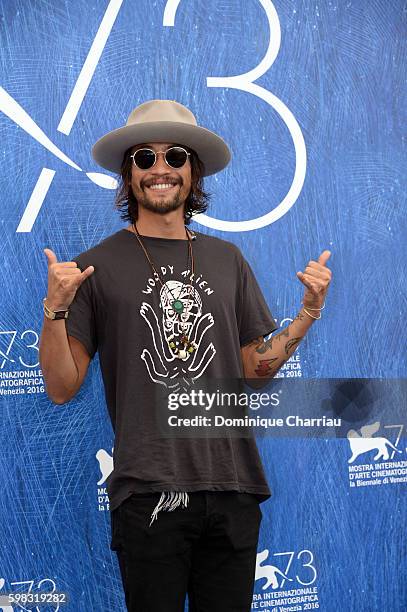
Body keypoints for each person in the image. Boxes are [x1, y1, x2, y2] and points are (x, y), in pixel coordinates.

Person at [39, 99, 332, 611]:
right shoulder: (94, 268)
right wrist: (54, 310)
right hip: (150, 493)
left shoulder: (226, 259)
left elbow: (253, 369)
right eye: (144, 158)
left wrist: (307, 313)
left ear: (192, 172)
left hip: (233, 488)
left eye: (175, 156)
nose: (161, 169)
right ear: (128, 175)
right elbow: (63, 388)